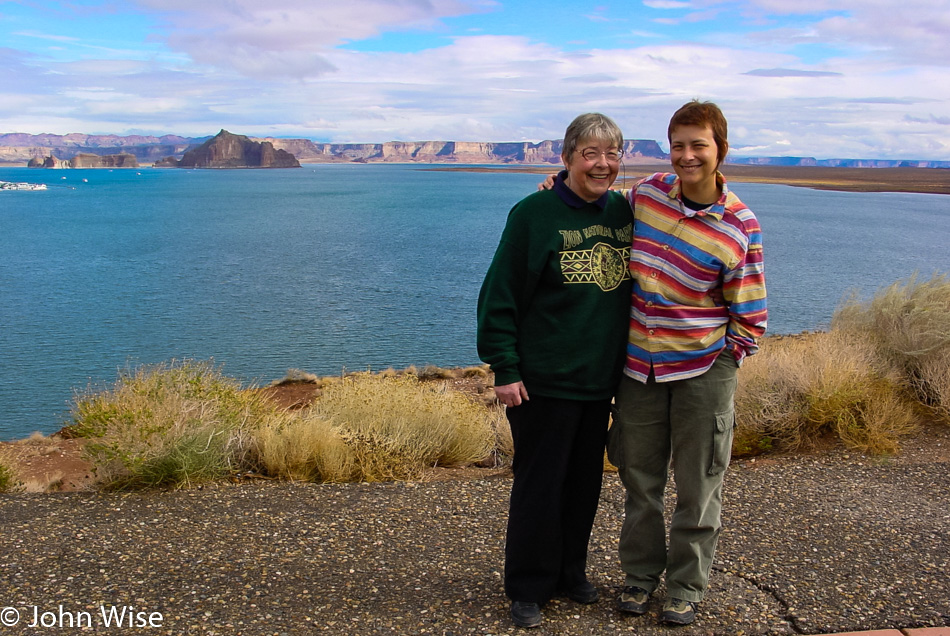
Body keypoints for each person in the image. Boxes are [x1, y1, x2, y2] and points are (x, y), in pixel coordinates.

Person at [539, 99, 767, 626]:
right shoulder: (647, 195)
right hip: (639, 371)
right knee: (640, 484)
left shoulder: (739, 224)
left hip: (703, 374)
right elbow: (593, 195)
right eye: (679, 145)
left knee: (698, 486)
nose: (687, 156)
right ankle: (640, 577)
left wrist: (721, 364)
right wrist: (557, 182)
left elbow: (751, 315)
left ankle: (686, 584)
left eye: (698, 145)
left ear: (720, 150)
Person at [477, 113, 633, 629]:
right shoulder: (533, 214)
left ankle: (570, 571)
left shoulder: (623, 213)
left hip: (598, 381)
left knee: (584, 484)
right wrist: (505, 366)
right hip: (542, 381)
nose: (602, 164)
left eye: (611, 154)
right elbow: (500, 295)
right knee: (539, 484)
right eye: (590, 153)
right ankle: (528, 585)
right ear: (566, 158)